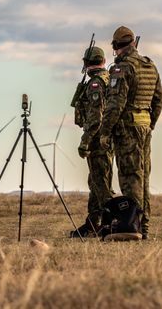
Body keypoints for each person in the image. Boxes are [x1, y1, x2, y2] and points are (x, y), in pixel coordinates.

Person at [99, 26, 162, 240]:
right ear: (133, 43)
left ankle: (132, 225)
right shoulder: (150, 65)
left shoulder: (123, 69)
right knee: (144, 177)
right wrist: (149, 123)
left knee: (130, 178)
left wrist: (105, 132)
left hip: (127, 130)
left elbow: (115, 105)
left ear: (118, 47)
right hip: (145, 128)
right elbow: (158, 99)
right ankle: (143, 226)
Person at [70, 46, 114, 238]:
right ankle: (93, 224)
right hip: (106, 137)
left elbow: (96, 116)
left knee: (101, 184)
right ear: (103, 61)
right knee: (96, 181)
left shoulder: (96, 83)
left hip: (97, 139)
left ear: (87, 63)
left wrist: (85, 141)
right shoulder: (108, 80)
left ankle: (109, 224)